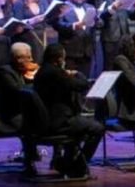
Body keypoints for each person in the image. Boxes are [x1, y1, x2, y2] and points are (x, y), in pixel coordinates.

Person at [33, 43, 104, 177]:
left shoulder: (42, 71)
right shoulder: (55, 73)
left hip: (45, 121)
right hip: (59, 123)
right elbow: (81, 85)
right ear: (59, 59)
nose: (64, 61)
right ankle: (79, 165)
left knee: (80, 127)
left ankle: (67, 163)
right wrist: (78, 74)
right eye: (63, 58)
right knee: (98, 128)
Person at [0, 42, 41, 174]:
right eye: (28, 57)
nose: (31, 60)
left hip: (20, 112)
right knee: (31, 124)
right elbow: (17, 91)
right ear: (18, 58)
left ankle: (53, 155)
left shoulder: (20, 71)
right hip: (9, 116)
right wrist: (35, 84)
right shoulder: (5, 72)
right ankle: (29, 161)